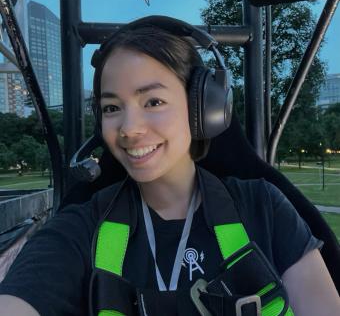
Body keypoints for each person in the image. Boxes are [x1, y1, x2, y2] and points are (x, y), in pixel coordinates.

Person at [0, 16, 339, 316]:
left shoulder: (264, 208)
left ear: (204, 108)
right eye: (111, 107)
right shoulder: (80, 229)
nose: (129, 128)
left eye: (154, 101)